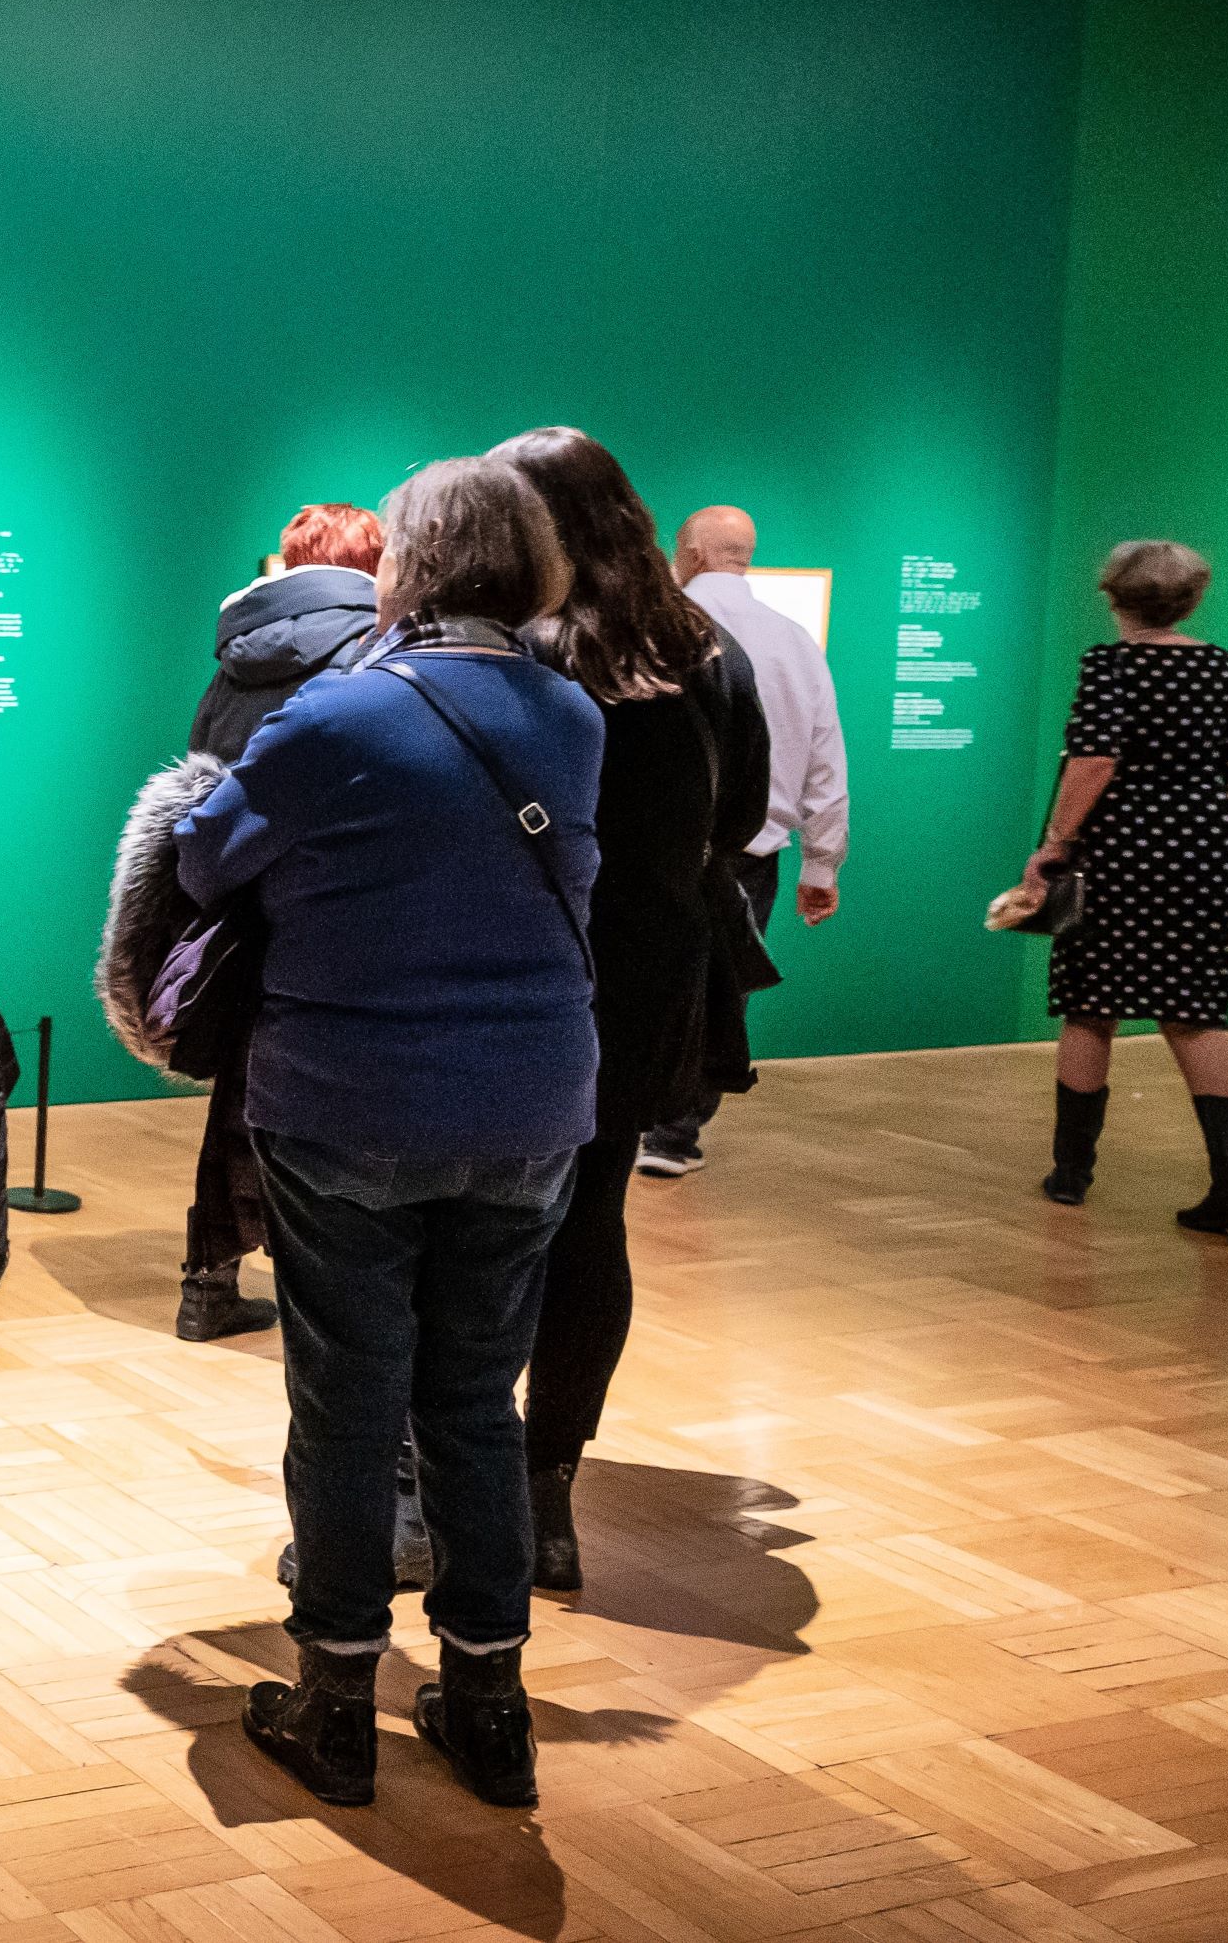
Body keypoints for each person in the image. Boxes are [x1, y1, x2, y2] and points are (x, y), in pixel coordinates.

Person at [178, 456, 602, 1811]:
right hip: (533, 1103)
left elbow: (203, 857)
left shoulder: (335, 713)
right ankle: (488, 1700)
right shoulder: (575, 714)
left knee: (349, 1405)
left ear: (404, 566)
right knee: (476, 1402)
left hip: (352, 1097)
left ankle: (338, 1698)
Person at [493, 428, 766, 1595]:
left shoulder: (521, 650)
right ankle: (549, 1486)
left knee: (472, 1230)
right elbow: (742, 815)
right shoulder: (703, 648)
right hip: (651, 968)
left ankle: (439, 1475)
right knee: (592, 1219)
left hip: (517, 967)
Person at [174, 502, 383, 1344]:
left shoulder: (235, 658)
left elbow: (196, 775)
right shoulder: (367, 659)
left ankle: (208, 1281)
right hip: (328, 911)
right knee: (320, 1109)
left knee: (238, 1091)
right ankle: (321, 1296)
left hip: (234, 903)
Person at [1028, 540, 1228, 1232]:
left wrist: (1055, 844)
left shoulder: (1110, 664)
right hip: (1207, 855)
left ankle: (1071, 1172)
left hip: (1120, 856)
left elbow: (1094, 758)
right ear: (1192, 599)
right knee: (1194, 1014)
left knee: (1089, 1005)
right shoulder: (1221, 668)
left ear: (1113, 595)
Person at [639, 506, 849, 1178]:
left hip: (660, 847)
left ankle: (635, 1118)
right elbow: (825, 759)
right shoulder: (794, 641)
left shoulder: (654, 633)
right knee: (723, 989)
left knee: (643, 979)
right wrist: (823, 861)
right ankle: (676, 1131)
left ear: (691, 555)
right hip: (753, 854)